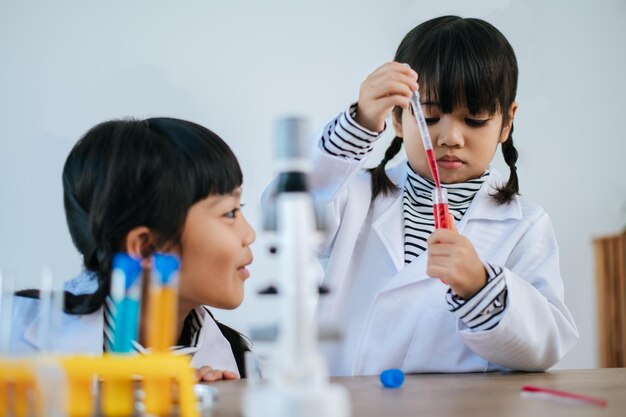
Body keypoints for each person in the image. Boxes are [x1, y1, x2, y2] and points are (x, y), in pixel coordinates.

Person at [306, 16, 578, 375]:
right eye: (429, 117)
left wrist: (482, 286)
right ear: (398, 120)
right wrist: (360, 123)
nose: (450, 137)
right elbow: (289, 215)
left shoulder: (525, 225)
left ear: (507, 122)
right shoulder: (354, 196)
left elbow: (545, 347)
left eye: (475, 119)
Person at [10, 117, 256, 381]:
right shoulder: (12, 333)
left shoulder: (239, 361)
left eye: (240, 209)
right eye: (230, 213)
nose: (250, 234)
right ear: (146, 248)